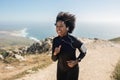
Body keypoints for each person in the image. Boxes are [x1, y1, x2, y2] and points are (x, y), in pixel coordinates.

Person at [51, 12, 87, 80]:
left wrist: (76, 61)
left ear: (67, 28)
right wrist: (55, 53)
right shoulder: (55, 40)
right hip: (60, 71)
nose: (58, 29)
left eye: (61, 26)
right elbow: (53, 59)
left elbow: (84, 51)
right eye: (57, 26)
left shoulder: (73, 40)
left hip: (72, 72)